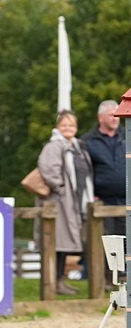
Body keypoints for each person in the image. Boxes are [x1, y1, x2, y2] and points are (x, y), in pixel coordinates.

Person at [37, 110, 93, 295]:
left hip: (74, 201)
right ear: (58, 127)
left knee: (65, 244)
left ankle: (60, 280)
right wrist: (60, 189)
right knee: (56, 243)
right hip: (59, 201)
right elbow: (48, 169)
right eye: (64, 125)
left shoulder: (78, 147)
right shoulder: (54, 146)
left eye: (71, 125)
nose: (68, 128)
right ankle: (53, 282)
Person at [84, 99, 125, 237]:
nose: (115, 119)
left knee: (126, 243)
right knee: (105, 244)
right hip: (101, 202)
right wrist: (91, 194)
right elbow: (84, 171)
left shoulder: (128, 137)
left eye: (117, 115)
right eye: (111, 115)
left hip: (127, 200)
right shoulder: (87, 142)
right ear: (100, 117)